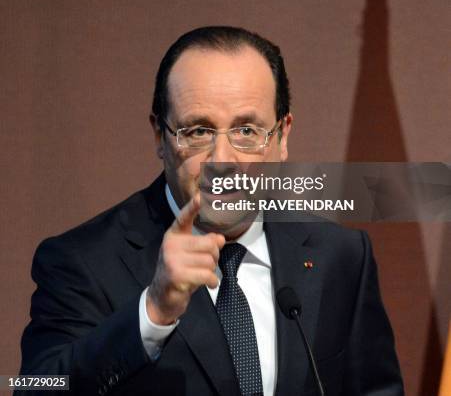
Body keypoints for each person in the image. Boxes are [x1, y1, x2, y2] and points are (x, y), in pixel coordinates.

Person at [17, 26, 404, 395]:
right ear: (160, 136)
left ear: (282, 137)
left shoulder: (340, 256)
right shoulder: (82, 261)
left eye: (247, 131)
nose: (223, 159)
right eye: (198, 131)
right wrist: (152, 312)